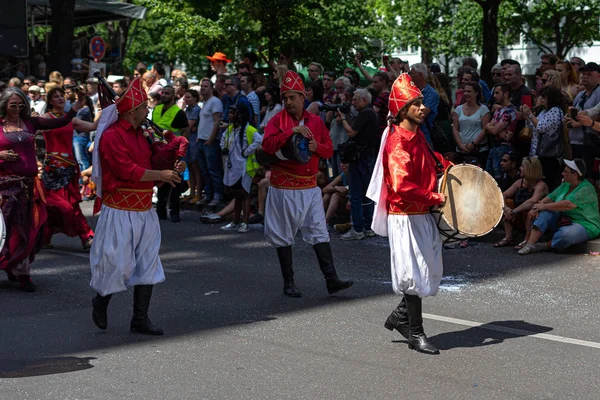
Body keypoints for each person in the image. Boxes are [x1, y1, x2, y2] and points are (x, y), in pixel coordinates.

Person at [90, 77, 186, 334]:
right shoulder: (111, 136)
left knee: (147, 263)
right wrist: (162, 176)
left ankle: (140, 318)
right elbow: (126, 170)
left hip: (144, 210)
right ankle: (100, 300)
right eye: (144, 107)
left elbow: (155, 159)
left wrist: (175, 161)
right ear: (133, 111)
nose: (148, 111)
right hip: (120, 211)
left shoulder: (143, 134)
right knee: (116, 264)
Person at [367, 73, 452, 355]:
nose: (423, 107)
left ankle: (400, 317)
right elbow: (402, 186)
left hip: (421, 213)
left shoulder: (416, 137)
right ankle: (416, 334)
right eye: (416, 104)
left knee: (428, 270)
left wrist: (452, 168)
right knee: (414, 274)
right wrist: (436, 197)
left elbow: (432, 161)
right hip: (404, 214)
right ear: (402, 110)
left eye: (422, 103)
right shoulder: (398, 143)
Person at [261, 70, 353, 298]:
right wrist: (290, 132)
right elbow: (267, 145)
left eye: (293, 97)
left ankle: (331, 280)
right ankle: (288, 282)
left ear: (303, 98)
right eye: (285, 98)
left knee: (319, 232)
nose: (288, 102)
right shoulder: (277, 121)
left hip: (310, 188)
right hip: (284, 189)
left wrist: (316, 148)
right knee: (284, 235)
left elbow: (329, 148)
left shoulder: (315, 122)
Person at [0, 87, 87, 291]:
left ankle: (22, 271)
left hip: (28, 188)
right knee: (4, 231)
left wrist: (78, 103)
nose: (17, 108)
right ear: (4, 105)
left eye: (21, 104)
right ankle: (10, 265)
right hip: (4, 188)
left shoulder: (31, 122)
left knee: (28, 230)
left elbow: (62, 121)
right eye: (13, 105)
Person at [41, 87, 97, 249]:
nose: (60, 98)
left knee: (68, 204)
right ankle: (85, 236)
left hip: (68, 169)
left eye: (61, 96)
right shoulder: (45, 118)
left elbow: (93, 126)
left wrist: (105, 111)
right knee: (54, 204)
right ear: (50, 101)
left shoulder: (69, 120)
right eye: (55, 96)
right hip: (52, 169)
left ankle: (47, 236)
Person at [519, 159, 600, 255]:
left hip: (585, 224)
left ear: (575, 174)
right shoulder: (565, 185)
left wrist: (543, 206)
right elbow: (550, 197)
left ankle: (544, 246)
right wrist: (535, 208)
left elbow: (567, 205)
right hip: (565, 220)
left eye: (566, 172)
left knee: (565, 235)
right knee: (545, 213)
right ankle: (530, 244)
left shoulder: (586, 188)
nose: (562, 173)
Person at [337, 88, 379, 240]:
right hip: (368, 157)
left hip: (360, 158)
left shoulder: (366, 113)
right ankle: (368, 227)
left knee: (356, 194)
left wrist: (342, 118)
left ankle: (357, 229)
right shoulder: (372, 113)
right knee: (366, 195)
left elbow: (351, 133)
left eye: (355, 99)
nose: (352, 102)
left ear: (364, 100)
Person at [219, 104, 262, 233]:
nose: (230, 115)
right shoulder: (230, 129)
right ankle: (235, 221)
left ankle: (245, 222)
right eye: (229, 113)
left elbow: (259, 140)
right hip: (233, 166)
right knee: (236, 194)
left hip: (244, 167)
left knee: (244, 194)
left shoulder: (249, 130)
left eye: (233, 113)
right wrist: (224, 149)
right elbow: (223, 141)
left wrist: (247, 151)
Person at [152, 85, 189, 222]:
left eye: (167, 93)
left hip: (173, 152)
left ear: (173, 96)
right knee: (161, 180)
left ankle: (174, 212)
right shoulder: (156, 109)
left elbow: (185, 131)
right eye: (163, 93)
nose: (164, 95)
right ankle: (160, 211)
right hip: (159, 151)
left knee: (174, 182)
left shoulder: (178, 113)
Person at [495, 157, 548, 249]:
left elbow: (533, 201)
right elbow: (503, 194)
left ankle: (527, 239)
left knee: (531, 210)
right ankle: (508, 237)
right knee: (508, 202)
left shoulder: (541, 185)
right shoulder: (520, 182)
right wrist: (506, 209)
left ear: (530, 169)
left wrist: (514, 211)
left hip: (533, 219)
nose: (520, 168)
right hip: (518, 216)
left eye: (523, 167)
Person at [521, 86, 566, 190]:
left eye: (543, 97)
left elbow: (541, 127)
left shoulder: (555, 110)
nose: (540, 98)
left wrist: (530, 114)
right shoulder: (544, 111)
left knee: (547, 183)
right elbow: (532, 126)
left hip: (548, 154)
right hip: (537, 152)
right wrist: (526, 116)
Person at [452, 81, 491, 167]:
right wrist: (460, 145)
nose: (466, 94)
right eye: (465, 91)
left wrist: (473, 144)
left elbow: (485, 129)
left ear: (476, 93)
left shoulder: (483, 110)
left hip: (479, 150)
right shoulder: (458, 109)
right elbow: (455, 128)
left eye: (469, 91)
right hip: (461, 151)